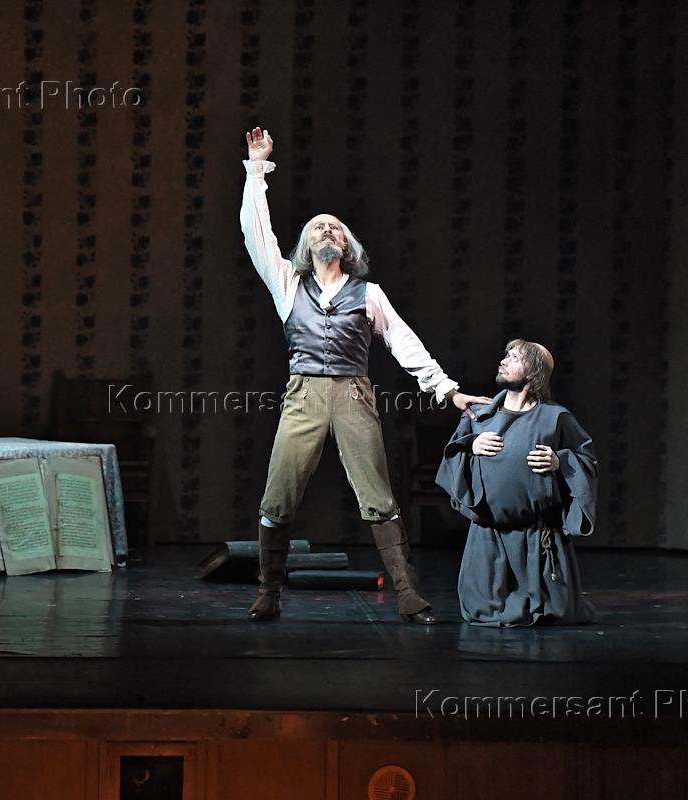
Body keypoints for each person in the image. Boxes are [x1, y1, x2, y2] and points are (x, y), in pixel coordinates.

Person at [240, 126, 484, 624]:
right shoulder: (288, 284)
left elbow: (404, 342)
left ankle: (407, 593)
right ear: (305, 246)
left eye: (335, 228)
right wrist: (257, 170)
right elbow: (256, 233)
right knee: (278, 494)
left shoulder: (368, 293)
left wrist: (448, 390)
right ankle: (268, 591)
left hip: (353, 394)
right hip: (304, 395)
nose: (327, 231)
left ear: (347, 245)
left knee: (377, 494)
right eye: (318, 227)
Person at [435, 339, 597, 626]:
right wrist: (471, 446)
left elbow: (586, 460)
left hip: (537, 534)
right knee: (481, 610)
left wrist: (560, 462)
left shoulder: (554, 417)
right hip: (489, 534)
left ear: (534, 372)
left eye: (515, 358)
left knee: (558, 611)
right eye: (506, 355)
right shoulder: (479, 414)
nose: (504, 361)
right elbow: (451, 459)